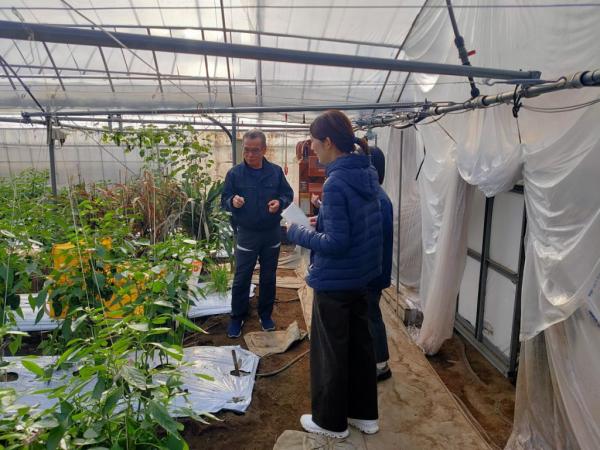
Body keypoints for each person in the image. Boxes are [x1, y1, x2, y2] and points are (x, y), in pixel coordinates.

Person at [286, 110, 382, 439]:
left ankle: (330, 422)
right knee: (360, 348)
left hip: (336, 281)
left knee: (331, 353)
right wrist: (322, 220)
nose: (312, 149)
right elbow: (353, 226)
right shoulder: (365, 172)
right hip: (360, 277)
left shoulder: (337, 181)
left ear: (328, 142)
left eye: (314, 143)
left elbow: (337, 243)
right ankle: (364, 415)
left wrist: (297, 232)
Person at [221, 129, 294, 338]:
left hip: (271, 233)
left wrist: (279, 202)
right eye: (247, 150)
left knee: (268, 276)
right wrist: (232, 201)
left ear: (264, 150)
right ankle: (237, 317)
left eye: (255, 150)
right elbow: (224, 200)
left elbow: (287, 194)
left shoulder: (275, 172)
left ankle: (265, 315)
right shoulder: (235, 174)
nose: (250, 154)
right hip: (247, 233)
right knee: (242, 277)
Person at [367, 147, 393, 382]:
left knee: (371, 315)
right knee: (370, 314)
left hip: (373, 272)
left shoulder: (378, 200)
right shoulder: (376, 195)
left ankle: (381, 364)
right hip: (374, 270)